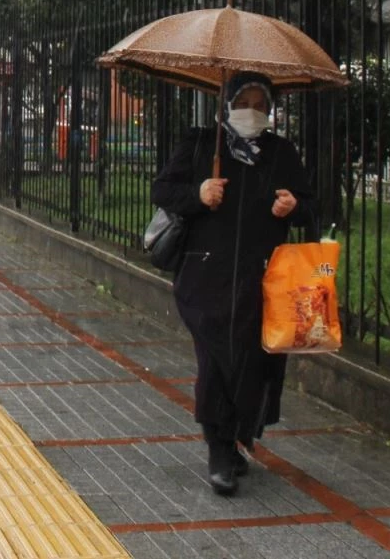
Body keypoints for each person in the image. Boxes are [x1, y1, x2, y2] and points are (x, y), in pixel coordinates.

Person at [151, 72, 317, 496]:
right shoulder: (204, 143)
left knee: (253, 364)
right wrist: (199, 193)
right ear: (226, 103)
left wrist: (293, 206)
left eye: (262, 104)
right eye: (245, 101)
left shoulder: (280, 152)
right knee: (215, 359)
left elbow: (311, 205)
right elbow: (163, 190)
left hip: (263, 280)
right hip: (206, 277)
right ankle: (218, 449)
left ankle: (240, 437)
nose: (253, 111)